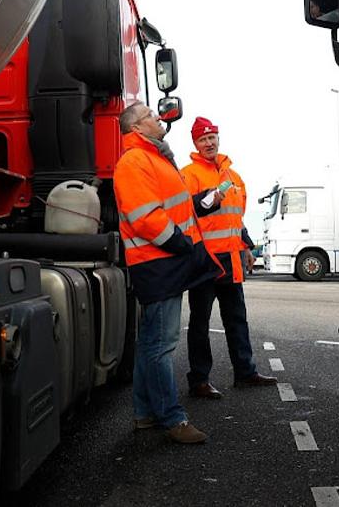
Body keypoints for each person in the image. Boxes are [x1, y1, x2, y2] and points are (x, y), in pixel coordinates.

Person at [113, 103, 219, 444]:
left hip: (162, 261)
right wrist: (180, 241)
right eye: (151, 116)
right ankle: (172, 418)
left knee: (150, 344)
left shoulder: (152, 157)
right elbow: (144, 216)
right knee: (161, 345)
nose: (159, 119)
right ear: (138, 128)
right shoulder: (134, 161)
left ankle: (145, 415)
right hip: (157, 262)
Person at [180, 116, 278, 399]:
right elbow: (183, 213)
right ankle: (199, 380)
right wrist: (206, 201)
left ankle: (245, 373)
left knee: (237, 319)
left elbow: (237, 219)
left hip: (231, 259)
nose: (209, 143)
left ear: (218, 139)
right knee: (200, 323)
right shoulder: (189, 175)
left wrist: (246, 245)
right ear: (195, 143)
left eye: (212, 138)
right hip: (204, 260)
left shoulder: (234, 178)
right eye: (202, 139)